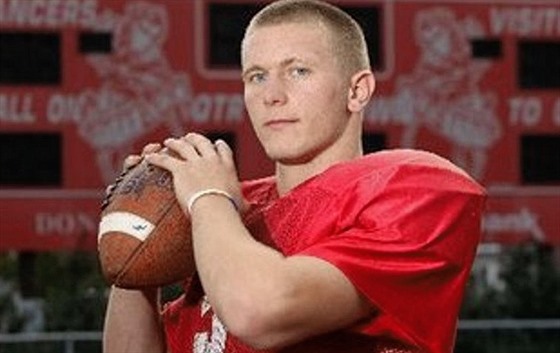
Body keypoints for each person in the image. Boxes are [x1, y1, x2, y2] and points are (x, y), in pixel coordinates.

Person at [102, 1, 486, 352]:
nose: (272, 95)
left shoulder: (412, 191)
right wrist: (137, 250)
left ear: (358, 90)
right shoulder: (229, 209)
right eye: (256, 77)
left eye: (298, 71)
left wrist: (207, 199)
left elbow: (259, 312)